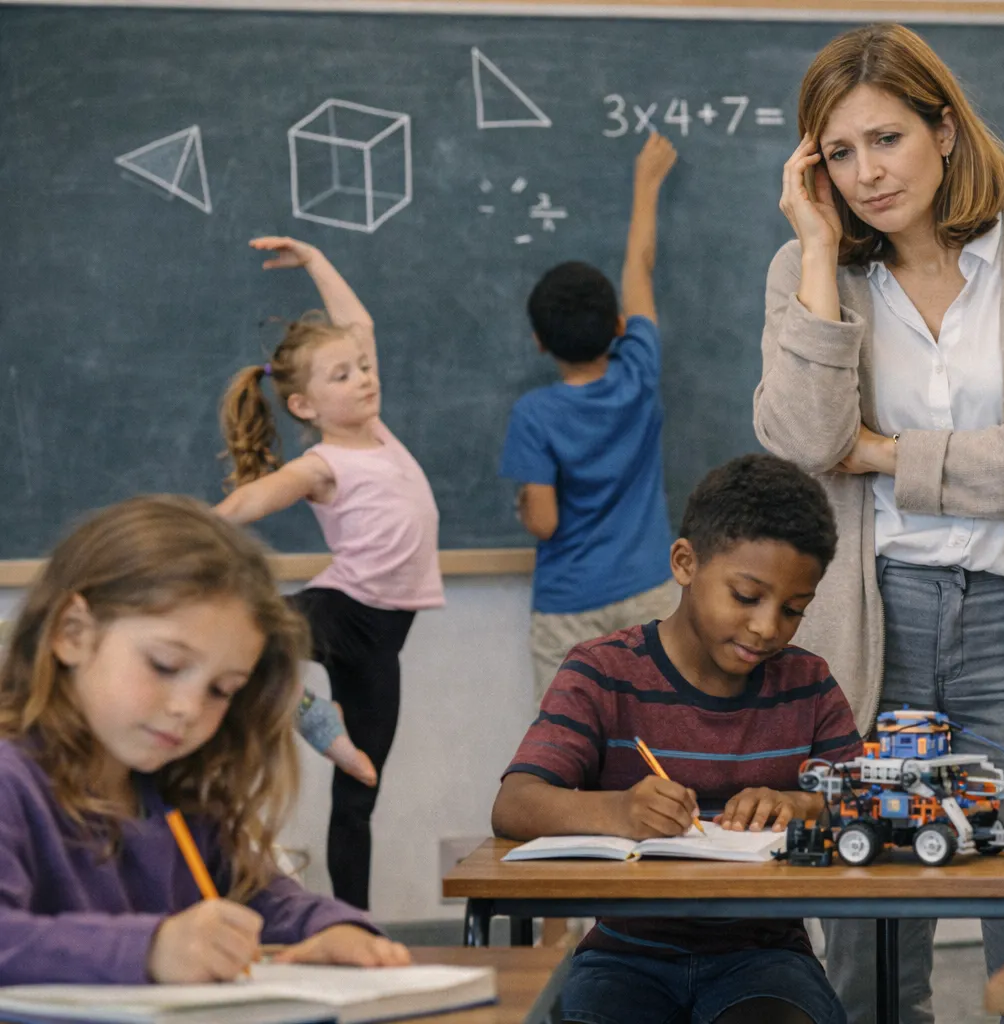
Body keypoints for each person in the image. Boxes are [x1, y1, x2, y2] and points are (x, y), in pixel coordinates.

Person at [755, 22, 1004, 1023]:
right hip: (876, 615)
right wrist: (822, 251)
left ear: (946, 129)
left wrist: (883, 455)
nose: (867, 173)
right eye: (838, 153)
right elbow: (799, 442)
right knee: (869, 931)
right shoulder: (809, 267)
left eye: (887, 139)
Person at [492, 454, 861, 1024]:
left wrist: (801, 804)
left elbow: (867, 804)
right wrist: (619, 810)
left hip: (765, 957)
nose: (767, 628)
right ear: (685, 563)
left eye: (793, 610)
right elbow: (514, 804)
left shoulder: (806, 684)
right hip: (623, 956)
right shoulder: (603, 673)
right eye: (746, 597)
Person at [0, 494, 410, 983]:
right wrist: (150, 950)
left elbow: (258, 894)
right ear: (72, 633)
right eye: (165, 665)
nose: (189, 709)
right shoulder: (11, 782)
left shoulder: (173, 792)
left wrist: (335, 927)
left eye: (222, 690)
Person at [215, 236, 443, 909]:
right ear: (304, 406)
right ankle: (310, 714)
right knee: (248, 638)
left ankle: (353, 920)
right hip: (342, 608)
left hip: (383, 639)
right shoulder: (325, 464)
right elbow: (259, 496)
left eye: (363, 369)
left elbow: (358, 327)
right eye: (342, 377)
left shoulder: (379, 434)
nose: (364, 379)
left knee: (361, 789)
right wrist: (206, 524)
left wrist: (316, 262)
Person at [499, 130, 678, 949]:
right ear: (614, 324)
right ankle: (661, 913)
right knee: (660, 756)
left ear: (538, 343)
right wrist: (646, 184)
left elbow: (541, 520)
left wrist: (519, 510)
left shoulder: (536, 413)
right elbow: (639, 269)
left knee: (564, 762)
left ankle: (570, 934)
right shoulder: (638, 370)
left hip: (570, 609)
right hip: (648, 592)